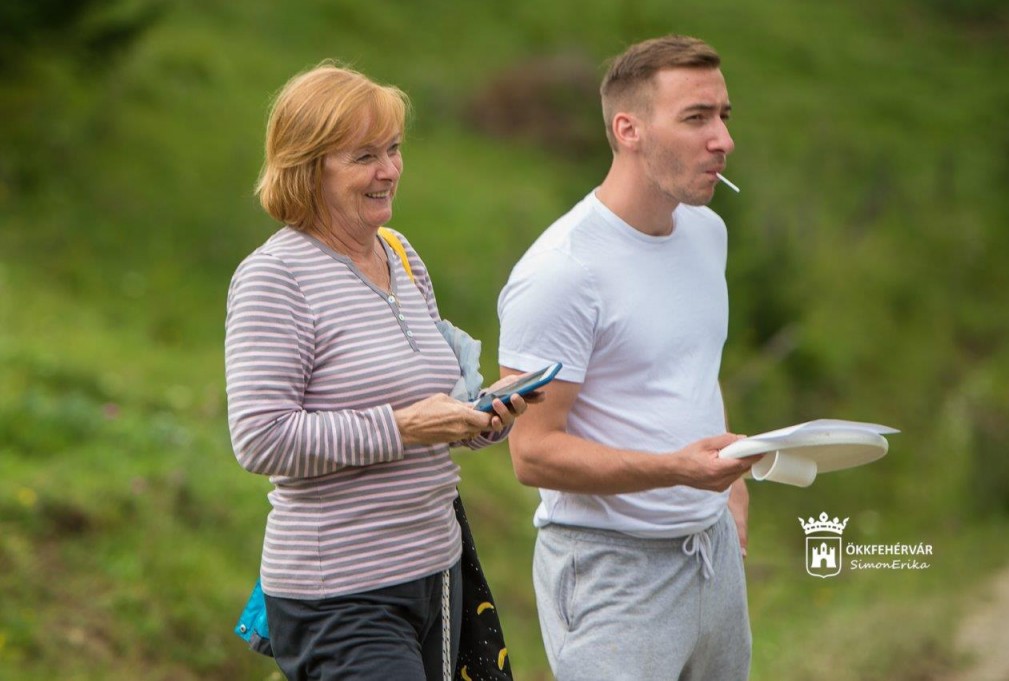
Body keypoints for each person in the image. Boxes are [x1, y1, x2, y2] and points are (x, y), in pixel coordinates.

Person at [226, 61, 530, 681]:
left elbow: (432, 402)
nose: (389, 170)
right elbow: (260, 438)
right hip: (341, 595)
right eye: (365, 156)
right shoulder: (274, 277)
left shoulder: (399, 253)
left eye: (392, 149)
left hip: (437, 574)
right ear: (307, 169)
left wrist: (481, 415)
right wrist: (404, 427)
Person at [497, 35, 762, 680]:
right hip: (612, 574)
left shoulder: (707, 232)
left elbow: (691, 372)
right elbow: (532, 453)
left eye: (723, 116)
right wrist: (677, 470)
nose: (723, 140)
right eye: (696, 118)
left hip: (711, 557)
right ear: (629, 130)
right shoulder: (561, 271)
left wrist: (731, 490)